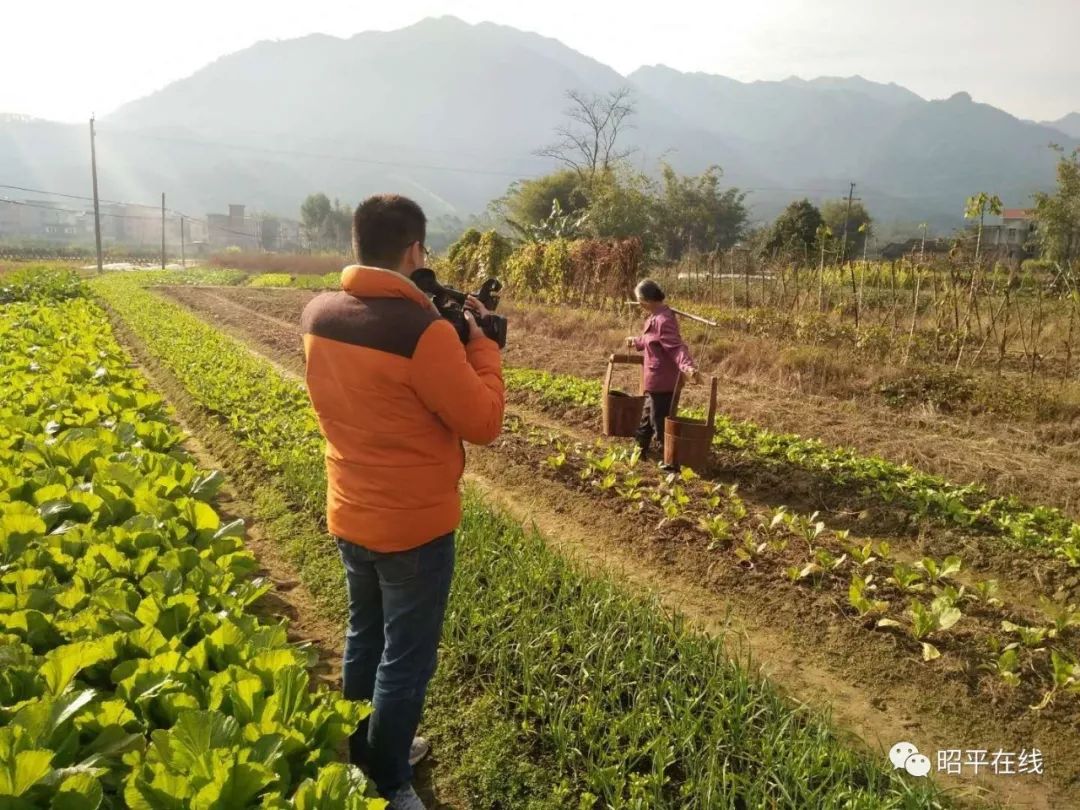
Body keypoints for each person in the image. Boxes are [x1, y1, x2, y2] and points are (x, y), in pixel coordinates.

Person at [300, 194, 505, 810]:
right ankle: (388, 780)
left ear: (358, 244)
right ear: (415, 250)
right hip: (414, 527)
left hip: (349, 506)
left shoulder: (317, 315)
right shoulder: (423, 334)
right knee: (406, 660)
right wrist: (484, 346)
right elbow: (484, 420)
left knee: (364, 635)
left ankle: (365, 747)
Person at [625, 279, 698, 469]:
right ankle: (639, 449)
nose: (639, 304)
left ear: (645, 300)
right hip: (653, 379)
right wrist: (636, 341)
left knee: (660, 421)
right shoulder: (653, 317)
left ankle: (672, 462)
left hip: (664, 381)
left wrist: (687, 367)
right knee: (647, 417)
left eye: (639, 300)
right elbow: (650, 340)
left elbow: (676, 348)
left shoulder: (664, 320)